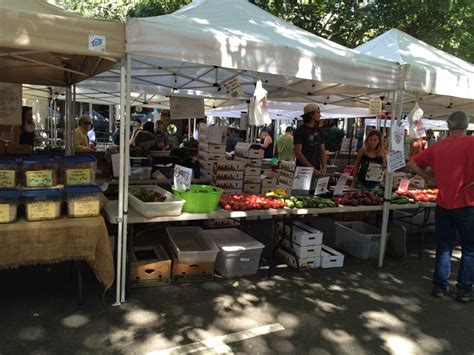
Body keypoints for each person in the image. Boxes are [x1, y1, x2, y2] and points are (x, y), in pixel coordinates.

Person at [408, 111, 474, 303]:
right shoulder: (472, 143)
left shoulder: (439, 146)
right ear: (467, 124)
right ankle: (464, 290)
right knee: (469, 249)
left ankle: (439, 287)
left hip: (443, 203)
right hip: (468, 204)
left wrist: (429, 178)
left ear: (448, 125)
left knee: (444, 247)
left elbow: (412, 163)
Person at [293, 103, 327, 176]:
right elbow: (298, 153)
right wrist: (311, 168)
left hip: (316, 170)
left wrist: (324, 168)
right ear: (311, 114)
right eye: (318, 113)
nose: (320, 115)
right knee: (301, 188)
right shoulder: (300, 131)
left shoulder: (319, 131)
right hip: (302, 171)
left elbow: (322, 151)